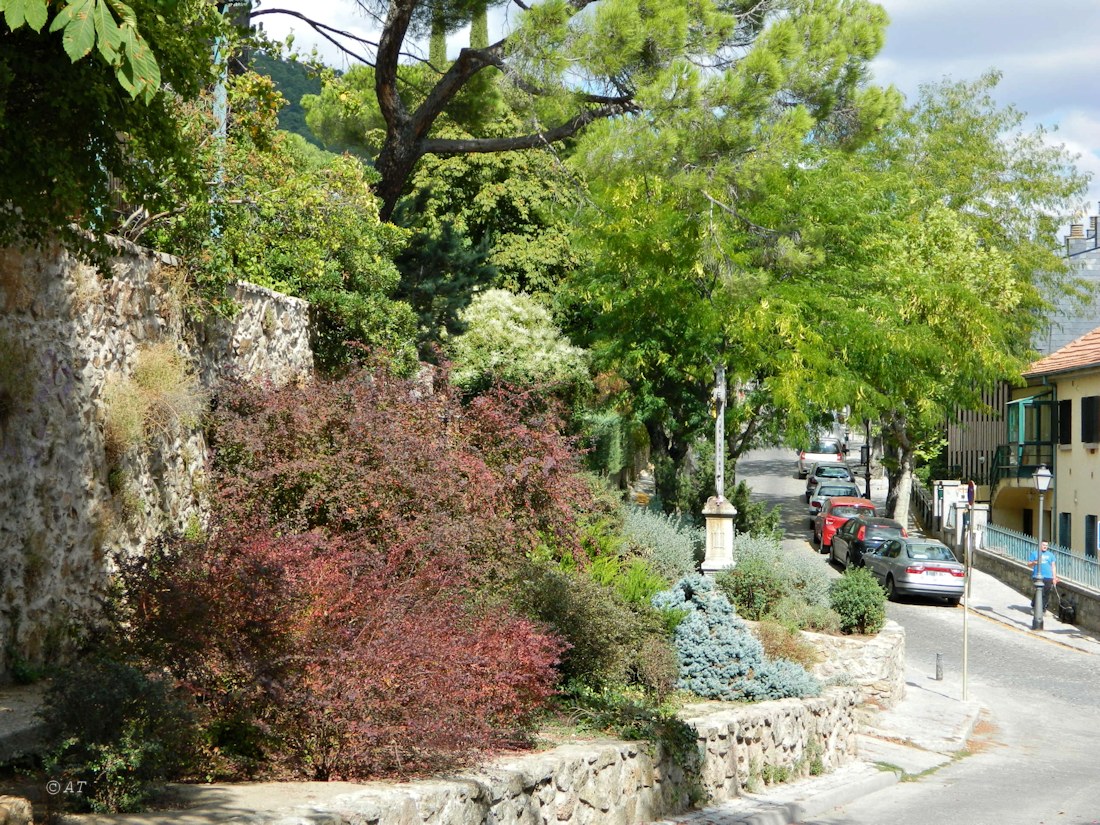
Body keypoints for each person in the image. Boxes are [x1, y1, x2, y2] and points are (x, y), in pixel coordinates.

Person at [1028, 540, 1059, 613]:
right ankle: (1035, 607)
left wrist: (1054, 577)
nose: (1045, 546)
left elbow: (1053, 566)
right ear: (1040, 545)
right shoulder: (1035, 553)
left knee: (1046, 592)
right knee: (1039, 591)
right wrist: (1034, 562)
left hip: (1048, 576)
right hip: (1038, 576)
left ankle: (1043, 608)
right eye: (1043, 545)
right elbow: (1029, 564)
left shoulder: (1051, 555)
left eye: (1046, 545)